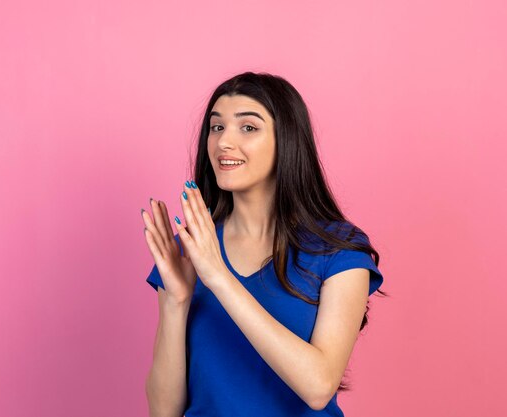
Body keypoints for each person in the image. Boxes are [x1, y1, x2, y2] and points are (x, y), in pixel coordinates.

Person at [140, 71, 388, 417]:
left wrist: (219, 277)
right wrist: (176, 302)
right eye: (216, 127)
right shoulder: (190, 249)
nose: (224, 142)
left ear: (286, 140)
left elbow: (318, 386)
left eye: (248, 127)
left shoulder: (339, 251)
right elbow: (164, 411)